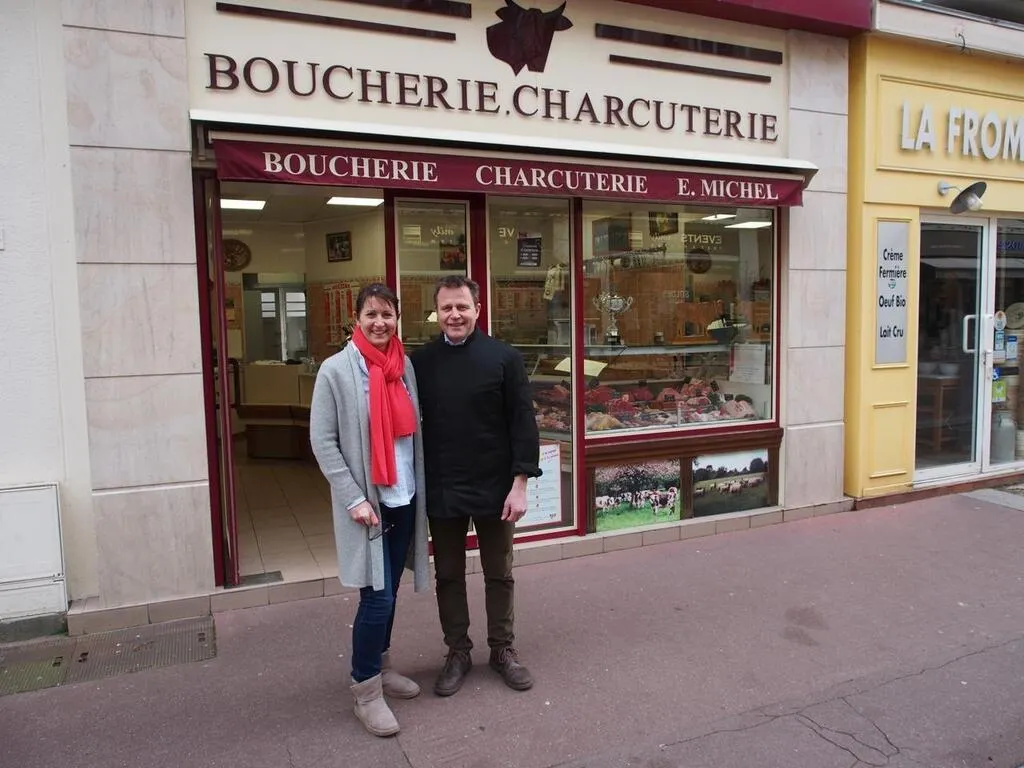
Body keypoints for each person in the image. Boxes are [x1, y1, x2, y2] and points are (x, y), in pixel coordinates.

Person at [410, 275, 541, 697]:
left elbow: (524, 423)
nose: (454, 315)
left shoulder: (504, 358)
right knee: (448, 575)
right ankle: (457, 651)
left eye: (461, 307)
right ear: (437, 312)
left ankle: (502, 649)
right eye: (446, 308)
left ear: (477, 310)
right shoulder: (421, 363)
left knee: (498, 573)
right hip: (443, 485)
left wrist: (520, 483)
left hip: (495, 485)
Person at [310, 283, 429, 738]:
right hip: (369, 505)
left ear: (398, 319)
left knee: (391, 591)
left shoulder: (405, 365)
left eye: (388, 314)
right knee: (375, 596)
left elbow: (413, 433)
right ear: (356, 318)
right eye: (372, 314)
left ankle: (382, 665)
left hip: (404, 495)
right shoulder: (336, 371)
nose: (380, 322)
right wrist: (354, 498)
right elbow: (322, 441)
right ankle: (365, 690)